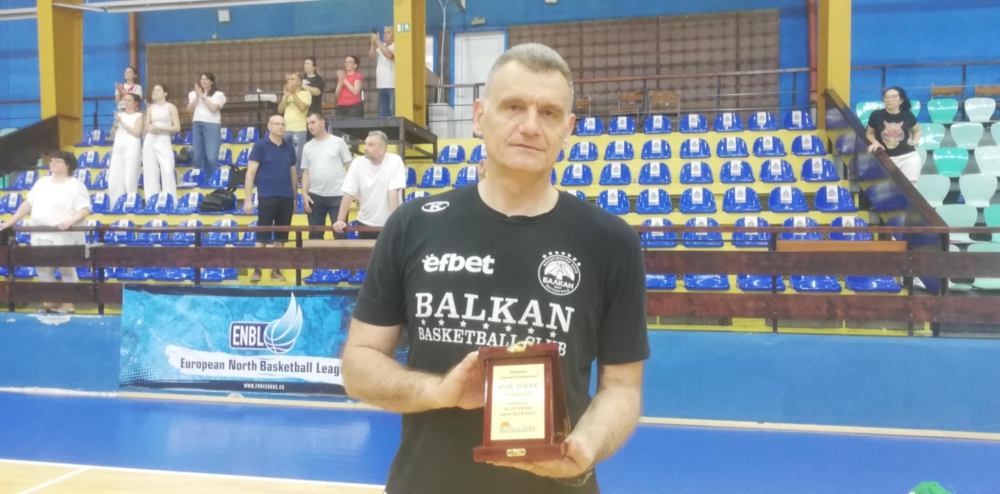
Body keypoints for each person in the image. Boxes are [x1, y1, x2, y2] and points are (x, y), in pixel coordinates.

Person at [341, 43, 648, 494]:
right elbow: (358, 364)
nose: (530, 126)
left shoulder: (610, 241)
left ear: (567, 130)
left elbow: (622, 387)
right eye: (513, 107)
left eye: (548, 113)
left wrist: (586, 444)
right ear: (480, 117)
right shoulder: (413, 224)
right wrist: (437, 390)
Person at [0, 151, 91, 314]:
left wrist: (70, 221)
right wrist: (10, 222)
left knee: (66, 269)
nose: (53, 163)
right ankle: (50, 301)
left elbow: (84, 209)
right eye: (51, 160)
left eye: (58, 161)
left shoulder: (76, 185)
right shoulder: (41, 183)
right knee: (43, 269)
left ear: (68, 165)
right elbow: (28, 204)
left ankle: (68, 303)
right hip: (40, 234)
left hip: (64, 235)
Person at [243, 115, 298, 283]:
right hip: (266, 196)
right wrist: (247, 199)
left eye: (283, 124)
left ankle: (276, 270)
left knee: (281, 237)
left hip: (286, 197)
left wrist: (294, 198)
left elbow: (293, 174)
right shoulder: (260, 146)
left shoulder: (289, 148)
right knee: (262, 235)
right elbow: (250, 173)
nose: (280, 127)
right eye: (277, 124)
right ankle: (257, 270)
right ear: (269, 126)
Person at [332, 130, 406, 240]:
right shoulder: (357, 163)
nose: (365, 148)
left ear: (382, 149)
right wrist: (340, 220)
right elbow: (348, 193)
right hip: (364, 223)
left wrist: (395, 222)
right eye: (365, 144)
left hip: (388, 223)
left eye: (371, 145)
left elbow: (393, 193)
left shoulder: (395, 161)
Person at [301, 112, 353, 240]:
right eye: (308, 124)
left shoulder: (338, 142)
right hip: (315, 196)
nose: (310, 126)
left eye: (313, 122)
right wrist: (304, 193)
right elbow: (306, 172)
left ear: (322, 122)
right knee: (315, 235)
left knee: (340, 234)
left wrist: (353, 191)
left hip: (338, 195)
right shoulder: (307, 146)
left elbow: (350, 168)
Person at [866, 86, 923, 183]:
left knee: (910, 187)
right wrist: (875, 142)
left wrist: (915, 141)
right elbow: (869, 134)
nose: (889, 99)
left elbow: (918, 131)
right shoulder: (876, 115)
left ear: (901, 100)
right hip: (886, 159)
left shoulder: (907, 115)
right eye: (887, 97)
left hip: (909, 158)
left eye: (893, 96)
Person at [142, 84, 180, 199]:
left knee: (167, 169)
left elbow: (177, 127)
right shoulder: (150, 108)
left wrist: (162, 128)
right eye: (154, 90)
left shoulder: (171, 107)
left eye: (158, 90)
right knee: (150, 170)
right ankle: (152, 199)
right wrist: (149, 127)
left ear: (165, 93)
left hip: (163, 138)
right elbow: (146, 126)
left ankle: (170, 199)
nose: (155, 92)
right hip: (150, 139)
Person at [187, 72, 227, 178]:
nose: (203, 81)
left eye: (206, 79)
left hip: (212, 124)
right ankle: (200, 179)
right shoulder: (193, 94)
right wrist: (197, 96)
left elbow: (213, 109)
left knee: (211, 156)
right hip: (197, 123)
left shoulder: (218, 94)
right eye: (201, 79)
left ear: (212, 82)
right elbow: (190, 109)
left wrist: (202, 96)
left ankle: (214, 178)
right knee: (198, 156)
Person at [108, 93, 144, 205]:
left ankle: (130, 203)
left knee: (130, 177)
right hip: (118, 147)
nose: (126, 103)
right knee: (115, 177)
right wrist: (116, 122)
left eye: (129, 101)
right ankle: (115, 204)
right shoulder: (120, 115)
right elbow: (112, 134)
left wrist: (122, 123)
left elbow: (137, 133)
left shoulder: (139, 116)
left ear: (135, 103)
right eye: (125, 100)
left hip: (132, 147)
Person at [278, 71, 312, 169]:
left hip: (299, 129)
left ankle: (298, 175)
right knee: (284, 154)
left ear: (299, 82)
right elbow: (280, 110)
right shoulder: (287, 95)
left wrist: (293, 94)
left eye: (292, 79)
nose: (289, 81)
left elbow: (303, 107)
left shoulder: (306, 93)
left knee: (298, 157)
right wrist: (286, 97)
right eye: (288, 79)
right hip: (286, 129)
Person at [370, 26, 395, 117]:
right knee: (383, 112)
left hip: (393, 85)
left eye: (388, 32)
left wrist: (378, 42)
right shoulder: (381, 45)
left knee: (393, 111)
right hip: (381, 84)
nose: (385, 34)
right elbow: (371, 57)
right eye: (384, 33)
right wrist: (373, 44)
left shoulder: (396, 45)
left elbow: (389, 55)